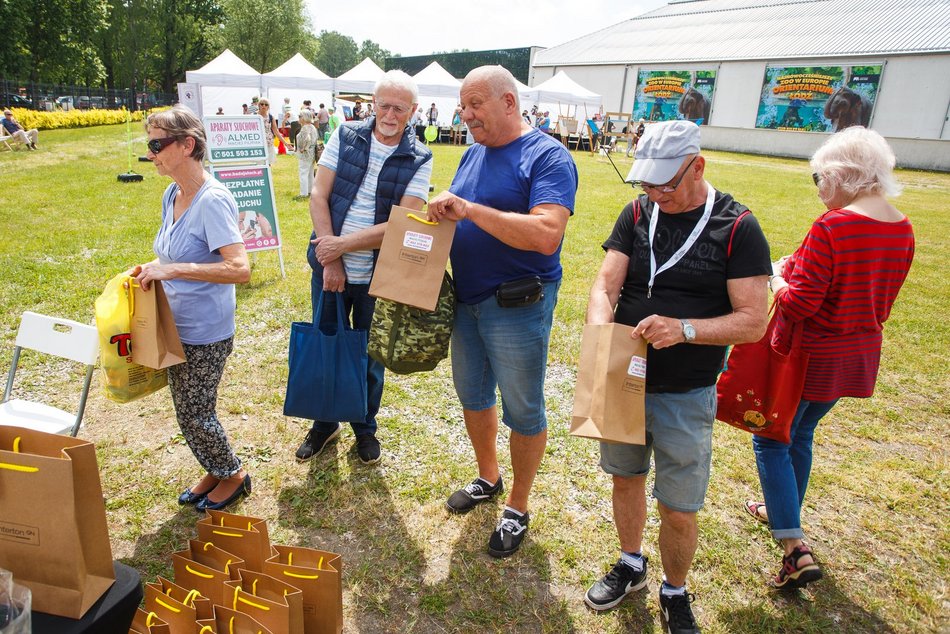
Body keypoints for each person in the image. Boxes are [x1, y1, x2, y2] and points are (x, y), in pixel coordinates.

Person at [582, 120, 771, 632]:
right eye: (647, 184)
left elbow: (754, 321)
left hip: (685, 391)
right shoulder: (638, 211)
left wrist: (683, 328)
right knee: (625, 477)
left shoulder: (737, 226)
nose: (655, 195)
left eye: (666, 185)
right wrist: (602, 338)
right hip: (625, 376)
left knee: (679, 505)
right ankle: (630, 563)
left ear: (699, 167)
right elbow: (605, 285)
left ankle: (675, 589)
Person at [746, 127, 914, 589]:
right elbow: (873, 291)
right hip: (855, 356)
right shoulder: (901, 225)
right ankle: (782, 510)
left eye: (819, 177)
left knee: (772, 438)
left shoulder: (834, 225)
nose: (818, 187)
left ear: (843, 176)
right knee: (800, 434)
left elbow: (800, 303)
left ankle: (793, 545)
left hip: (808, 356)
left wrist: (777, 280)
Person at [426, 65, 578, 558]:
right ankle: (488, 476)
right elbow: (457, 215)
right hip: (467, 300)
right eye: (462, 106)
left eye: (475, 105)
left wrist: (468, 210)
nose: (465, 115)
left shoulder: (547, 155)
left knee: (523, 407)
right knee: (472, 395)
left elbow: (546, 233)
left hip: (517, 304)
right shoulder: (472, 153)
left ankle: (517, 504)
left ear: (509, 103)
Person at [295, 71, 433, 465]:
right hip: (329, 267)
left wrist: (343, 246)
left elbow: (403, 223)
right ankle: (324, 424)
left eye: (399, 108)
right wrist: (332, 257)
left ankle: (364, 427)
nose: (389, 115)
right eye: (383, 105)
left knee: (371, 356)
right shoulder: (346, 135)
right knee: (327, 346)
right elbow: (319, 195)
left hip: (378, 274)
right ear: (374, 104)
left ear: (413, 111)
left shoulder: (420, 156)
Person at [133, 105, 252, 513]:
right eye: (149, 143)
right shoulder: (173, 193)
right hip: (176, 324)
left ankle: (234, 474)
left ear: (187, 145)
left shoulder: (212, 200)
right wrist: (153, 271)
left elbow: (239, 268)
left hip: (206, 330)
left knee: (195, 413)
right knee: (188, 410)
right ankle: (215, 468)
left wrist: (171, 270)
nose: (151, 153)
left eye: (157, 143)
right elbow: (170, 252)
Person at [295, 109, 320, 198]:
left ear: (304, 118)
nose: (299, 118)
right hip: (312, 153)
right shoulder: (312, 127)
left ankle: (303, 193)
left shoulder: (305, 127)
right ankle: (310, 191)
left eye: (300, 116)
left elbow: (307, 139)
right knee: (310, 173)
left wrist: (303, 148)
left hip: (306, 154)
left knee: (303, 173)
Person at [257, 98, 290, 165]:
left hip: (268, 143)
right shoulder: (254, 115)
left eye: (266, 104)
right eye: (262, 104)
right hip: (258, 143)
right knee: (259, 164)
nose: (264, 106)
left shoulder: (271, 117)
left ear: (268, 107)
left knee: (268, 163)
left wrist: (285, 143)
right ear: (259, 105)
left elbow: (276, 131)